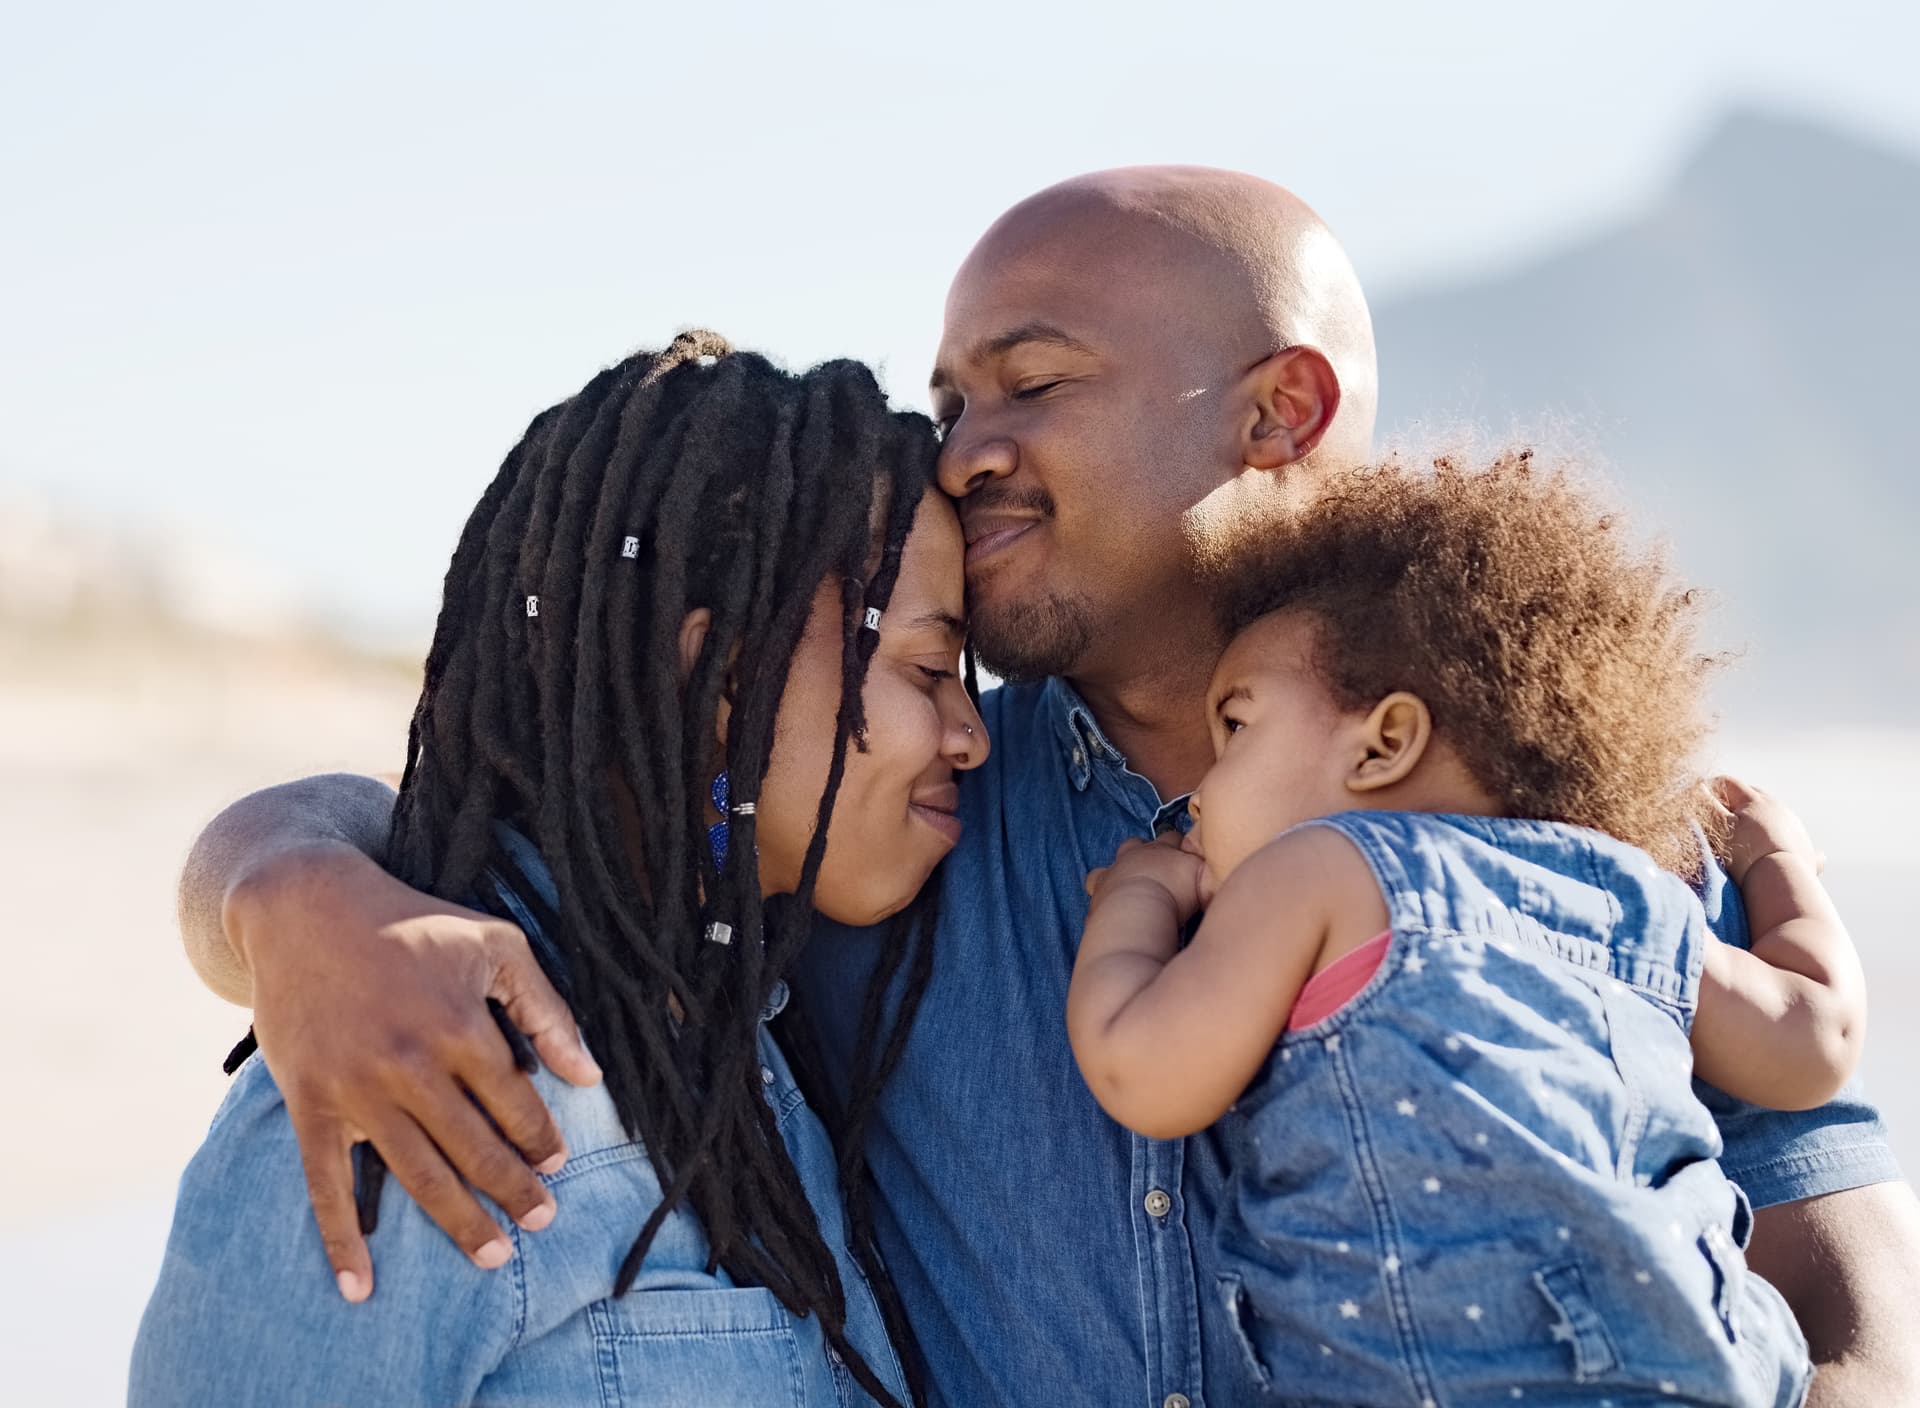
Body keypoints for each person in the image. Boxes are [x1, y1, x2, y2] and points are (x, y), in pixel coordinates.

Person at [172, 169, 1920, 1405]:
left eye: (1029, 381)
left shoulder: (1576, 826)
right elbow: (563, 810)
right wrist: (288, 885)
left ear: (1278, 410)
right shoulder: (910, 834)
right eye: (948, 393)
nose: (961, 445)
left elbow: (1855, 1299)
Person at [134, 333, 988, 1406]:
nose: (971, 733)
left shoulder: (740, 1036)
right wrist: (279, 881)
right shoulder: (409, 1070)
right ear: (719, 666)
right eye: (925, 666)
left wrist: (284, 866)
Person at [1069, 451, 1861, 1405]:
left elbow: (1142, 1071)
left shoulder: (1325, 870)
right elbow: (1814, 1041)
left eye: (1235, 726)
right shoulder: (1627, 891)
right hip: (1704, 1364)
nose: (1204, 788)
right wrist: (1777, 862)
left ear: (1385, 743)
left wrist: (1134, 903)